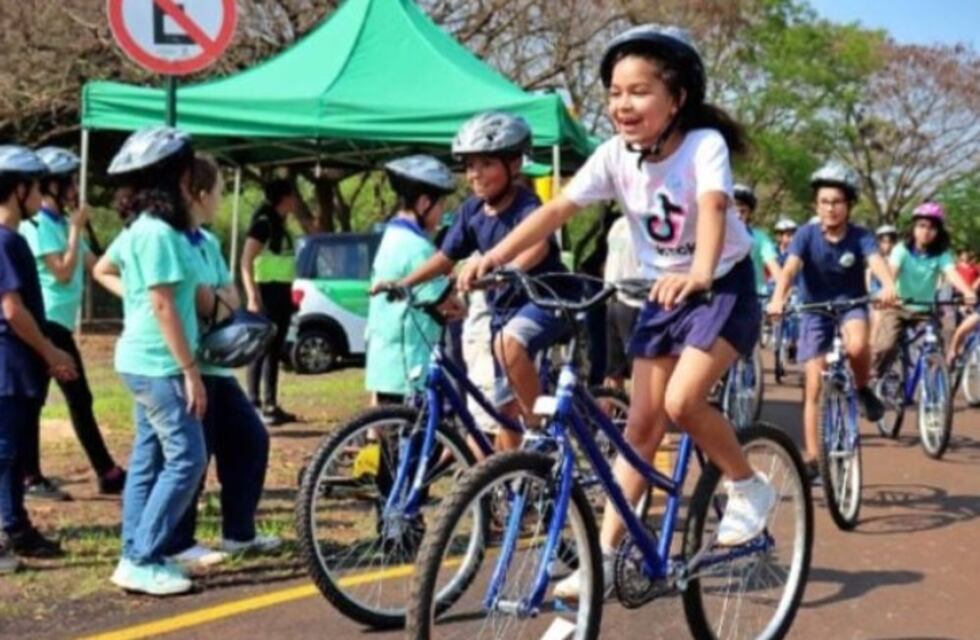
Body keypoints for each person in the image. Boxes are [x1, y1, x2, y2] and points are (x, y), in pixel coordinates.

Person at [459, 24, 780, 597]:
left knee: (683, 403)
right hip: (663, 292)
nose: (622, 105)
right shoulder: (613, 156)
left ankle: (748, 484)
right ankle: (604, 557)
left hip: (722, 286)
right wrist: (493, 255)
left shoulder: (703, 145)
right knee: (639, 427)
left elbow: (711, 207)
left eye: (638, 91)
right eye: (614, 92)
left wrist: (701, 272)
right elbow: (557, 210)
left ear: (676, 98)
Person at [384, 111, 572, 451]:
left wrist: (508, 268)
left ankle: (539, 431)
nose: (475, 174)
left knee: (507, 346)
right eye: (469, 166)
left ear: (514, 164)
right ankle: (516, 485)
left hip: (544, 302)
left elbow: (537, 245)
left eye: (486, 164)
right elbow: (445, 258)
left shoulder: (527, 205)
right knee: (502, 410)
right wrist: (404, 282)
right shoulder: (472, 211)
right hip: (503, 313)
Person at [92, 127, 208, 596]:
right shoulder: (159, 234)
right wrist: (191, 371)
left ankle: (134, 553)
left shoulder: (138, 228)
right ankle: (142, 557)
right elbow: (162, 306)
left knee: (147, 459)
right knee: (188, 458)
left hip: (138, 359)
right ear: (176, 179)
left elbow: (106, 270)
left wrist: (137, 300)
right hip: (159, 365)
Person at [162, 154, 280, 569]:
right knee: (196, 452)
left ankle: (238, 533)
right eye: (217, 191)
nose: (220, 198)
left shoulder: (208, 241)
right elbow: (194, 296)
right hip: (188, 361)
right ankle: (177, 540)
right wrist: (217, 300)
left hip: (216, 363)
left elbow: (225, 295)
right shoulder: (170, 239)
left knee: (251, 438)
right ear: (198, 193)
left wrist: (218, 300)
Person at [768, 161, 898, 479]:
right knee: (813, 382)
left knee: (857, 346)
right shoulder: (805, 235)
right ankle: (814, 457)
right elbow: (789, 269)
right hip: (814, 309)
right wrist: (778, 297)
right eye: (824, 202)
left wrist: (889, 285)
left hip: (851, 305)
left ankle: (864, 387)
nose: (831, 208)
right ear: (816, 205)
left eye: (837, 202)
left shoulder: (861, 236)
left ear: (848, 205)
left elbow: (876, 262)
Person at [18, 147, 125, 500]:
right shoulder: (41, 227)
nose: (75, 189)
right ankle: (33, 477)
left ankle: (103, 471)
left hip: (59, 324)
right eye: (70, 182)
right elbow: (63, 272)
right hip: (46, 323)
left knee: (70, 398)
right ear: (52, 185)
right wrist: (77, 229)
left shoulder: (62, 223)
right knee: (49, 399)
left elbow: (94, 264)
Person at [0, 146, 75, 572]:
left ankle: (16, 526)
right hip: (9, 366)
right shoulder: (5, 242)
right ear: (19, 189)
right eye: (35, 186)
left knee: (13, 453)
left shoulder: (14, 240)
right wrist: (50, 351)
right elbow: (13, 310)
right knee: (4, 452)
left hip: (20, 368)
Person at [365, 155, 462, 403]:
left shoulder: (391, 237)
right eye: (441, 205)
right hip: (411, 369)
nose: (443, 214)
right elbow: (448, 304)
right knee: (422, 439)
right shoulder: (417, 248)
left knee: (395, 439)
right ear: (423, 203)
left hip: (386, 366)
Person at [871, 202, 976, 378]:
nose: (926, 231)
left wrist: (968, 292)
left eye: (932, 228)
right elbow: (891, 274)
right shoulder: (901, 250)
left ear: (938, 231)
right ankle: (875, 379)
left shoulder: (941, 254)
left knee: (935, 343)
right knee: (885, 346)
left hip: (925, 311)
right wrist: (889, 291)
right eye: (921, 226)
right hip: (897, 308)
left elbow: (951, 274)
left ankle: (935, 385)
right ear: (913, 227)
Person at [241, 179, 300, 426]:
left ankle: (271, 403)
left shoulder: (281, 225)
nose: (296, 201)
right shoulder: (263, 224)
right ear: (283, 198)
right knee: (261, 349)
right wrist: (252, 296)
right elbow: (245, 262)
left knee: (275, 351)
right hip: (265, 293)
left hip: (282, 294)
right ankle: (253, 403)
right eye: (293, 195)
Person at [603, 212, 642, 390]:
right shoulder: (617, 225)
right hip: (613, 300)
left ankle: (638, 415)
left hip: (634, 302)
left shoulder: (648, 226)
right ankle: (608, 413)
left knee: (638, 370)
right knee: (613, 371)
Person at [733, 183, 782, 296]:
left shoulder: (760, 238)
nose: (738, 215)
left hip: (756, 296)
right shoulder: (715, 238)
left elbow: (774, 268)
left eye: (743, 211)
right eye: (733, 211)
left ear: (749, 213)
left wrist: (781, 294)